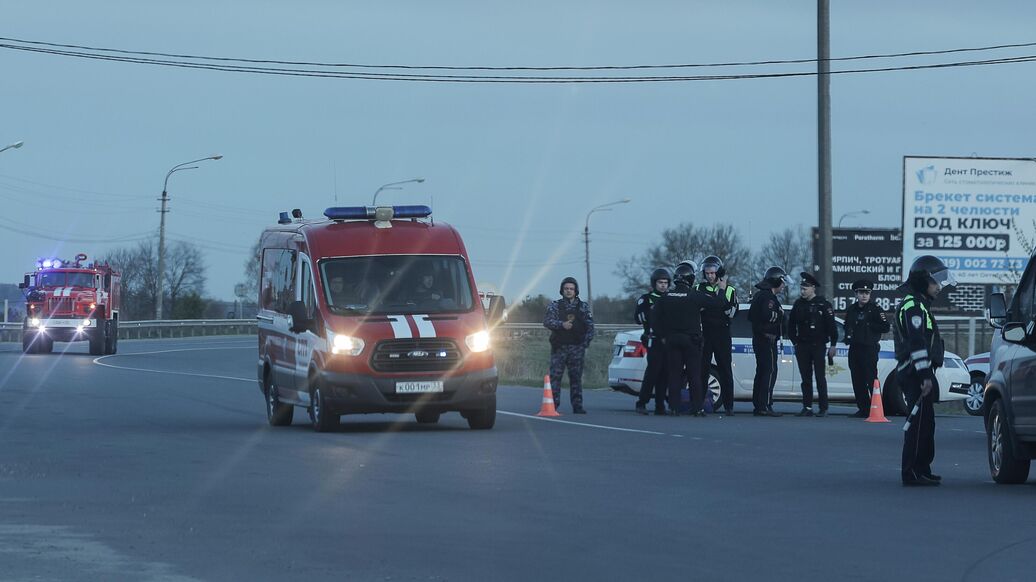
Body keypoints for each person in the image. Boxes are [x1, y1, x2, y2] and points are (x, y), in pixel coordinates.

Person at [895, 255, 955, 486]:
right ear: (923, 282)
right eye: (935, 282)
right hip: (915, 374)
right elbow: (917, 343)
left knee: (927, 423)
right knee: (918, 423)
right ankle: (911, 472)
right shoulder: (913, 307)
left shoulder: (920, 305)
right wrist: (924, 376)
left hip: (921, 372)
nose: (939, 287)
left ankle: (922, 468)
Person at [653, 260, 726, 417]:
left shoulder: (665, 297)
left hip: (672, 340)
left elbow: (655, 319)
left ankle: (673, 407)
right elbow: (719, 304)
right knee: (694, 375)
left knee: (674, 375)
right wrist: (721, 289)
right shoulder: (695, 296)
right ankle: (697, 407)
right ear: (691, 279)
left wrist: (663, 336)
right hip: (691, 341)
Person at [788, 272, 838, 417]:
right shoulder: (798, 304)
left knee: (820, 377)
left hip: (818, 345)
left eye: (805, 288)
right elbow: (791, 325)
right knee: (805, 378)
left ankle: (823, 407)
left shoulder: (823, 304)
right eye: (801, 288)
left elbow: (832, 327)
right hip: (802, 345)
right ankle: (807, 407)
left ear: (813, 288)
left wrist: (833, 344)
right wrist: (795, 341)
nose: (802, 291)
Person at [543, 277, 595, 414]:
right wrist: (561, 325)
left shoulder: (583, 307)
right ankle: (552, 404)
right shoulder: (555, 305)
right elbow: (547, 322)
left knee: (576, 378)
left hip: (577, 348)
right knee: (555, 377)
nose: (568, 291)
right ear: (562, 290)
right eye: (566, 288)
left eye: (571, 289)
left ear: (575, 290)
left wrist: (584, 344)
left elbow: (590, 327)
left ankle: (577, 405)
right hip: (559, 347)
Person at [696, 255, 738, 415]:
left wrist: (718, 302)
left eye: (713, 273)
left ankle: (729, 406)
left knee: (725, 369)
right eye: (707, 273)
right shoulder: (699, 288)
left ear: (718, 272)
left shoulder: (730, 290)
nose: (710, 276)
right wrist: (716, 304)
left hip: (722, 333)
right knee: (702, 369)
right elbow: (697, 308)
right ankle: (699, 404)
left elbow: (732, 312)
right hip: (705, 333)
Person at [843, 279, 891, 418]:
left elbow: (885, 326)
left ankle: (877, 407)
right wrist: (847, 336)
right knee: (857, 379)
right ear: (856, 294)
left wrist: (869, 326)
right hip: (855, 348)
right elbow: (847, 325)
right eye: (861, 293)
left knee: (870, 378)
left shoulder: (875, 309)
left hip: (869, 348)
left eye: (867, 293)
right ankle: (863, 408)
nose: (864, 295)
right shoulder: (852, 309)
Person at [749, 266, 788, 417]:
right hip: (766, 339)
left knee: (762, 371)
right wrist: (780, 314)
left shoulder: (761, 295)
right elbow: (768, 315)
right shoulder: (768, 298)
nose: (783, 285)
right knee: (769, 371)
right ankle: (764, 404)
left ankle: (759, 404)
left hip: (761, 339)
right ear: (776, 281)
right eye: (782, 281)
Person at [634, 268, 671, 415]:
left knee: (665, 373)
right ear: (654, 283)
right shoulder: (646, 298)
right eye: (660, 282)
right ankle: (642, 402)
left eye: (665, 283)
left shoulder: (670, 298)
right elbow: (638, 318)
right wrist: (653, 311)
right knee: (652, 372)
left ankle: (660, 404)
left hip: (668, 341)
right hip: (653, 339)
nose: (663, 285)